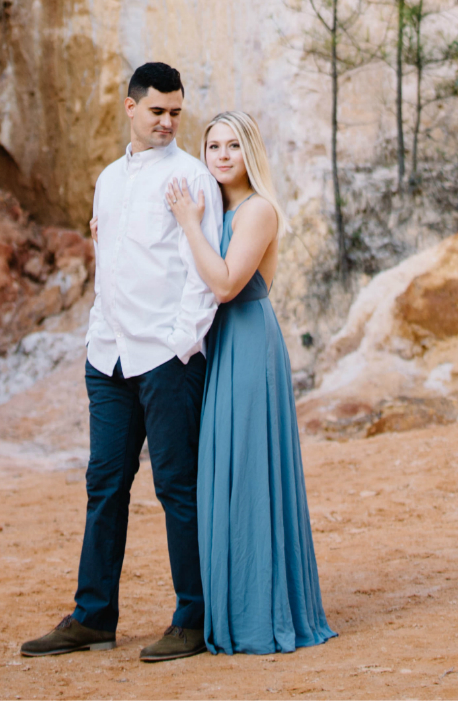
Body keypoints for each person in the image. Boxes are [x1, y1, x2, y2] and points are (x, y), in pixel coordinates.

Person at [21, 61, 221, 664]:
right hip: (108, 357)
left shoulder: (193, 178)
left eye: (176, 112)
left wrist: (181, 344)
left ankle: (192, 617)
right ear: (129, 107)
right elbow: (108, 261)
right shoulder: (108, 179)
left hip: (167, 357)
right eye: (157, 110)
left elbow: (200, 273)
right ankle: (93, 617)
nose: (167, 121)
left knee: (176, 488)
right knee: (104, 484)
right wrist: (94, 337)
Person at [167, 110, 334, 656]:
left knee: (251, 475)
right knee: (226, 477)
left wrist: (189, 222)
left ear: (250, 152)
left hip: (248, 345)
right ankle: (235, 608)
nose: (220, 155)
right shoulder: (221, 207)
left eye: (232, 145)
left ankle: (260, 614)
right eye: (212, 145)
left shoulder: (257, 210)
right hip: (222, 350)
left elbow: (222, 284)